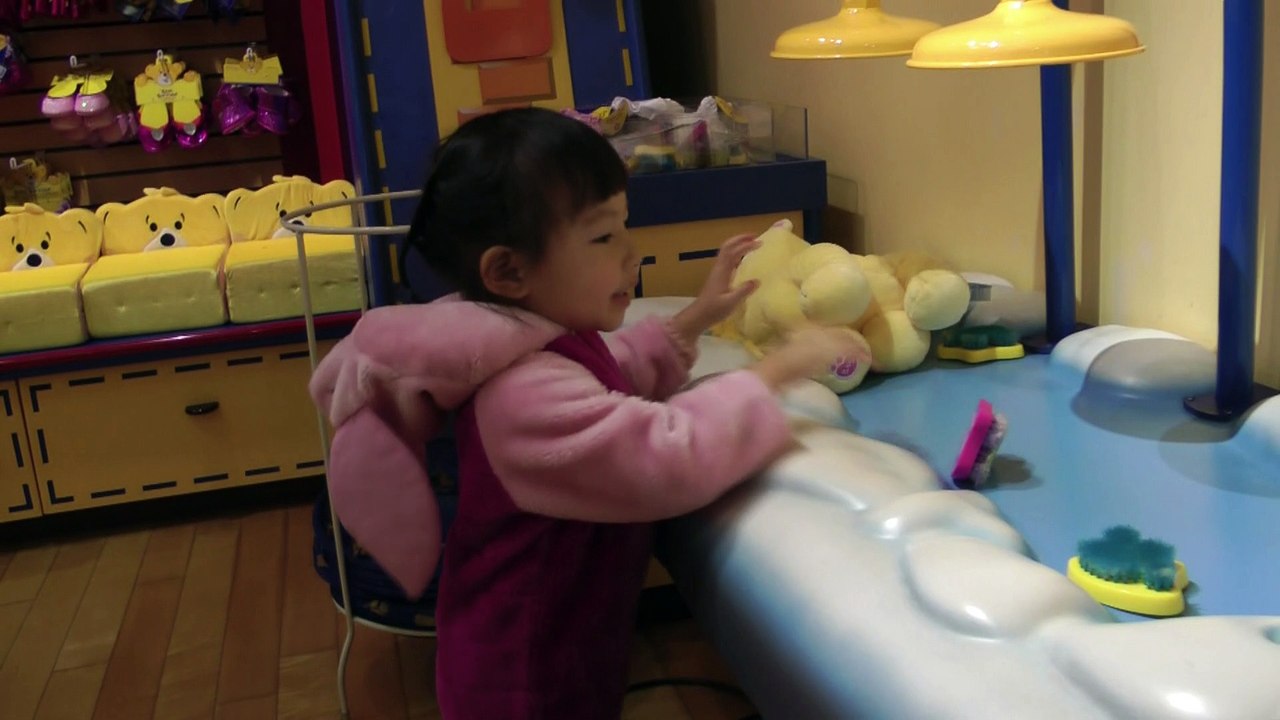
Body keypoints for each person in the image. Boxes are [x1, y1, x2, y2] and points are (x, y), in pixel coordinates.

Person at [310, 107, 866, 719]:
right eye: (603, 237)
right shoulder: (520, 395)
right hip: (521, 679)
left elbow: (611, 369)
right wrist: (779, 370)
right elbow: (665, 455)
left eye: (625, 226)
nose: (632, 253)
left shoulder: (530, 338)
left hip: (565, 644)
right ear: (510, 271)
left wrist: (698, 318)